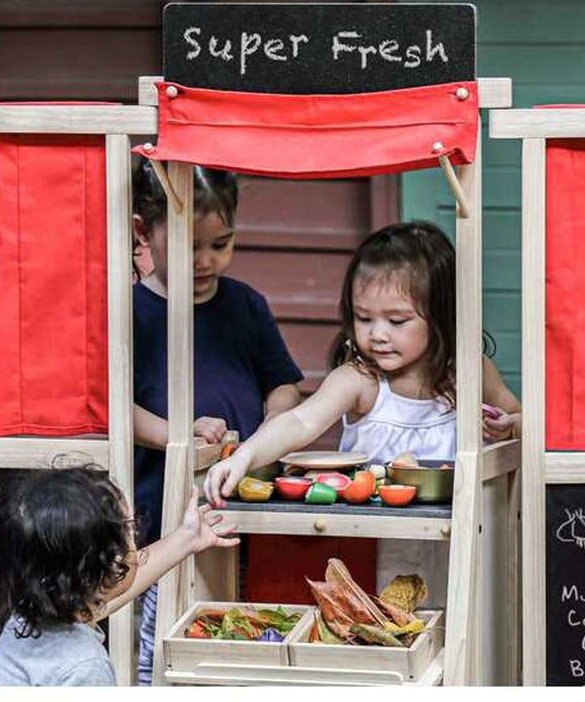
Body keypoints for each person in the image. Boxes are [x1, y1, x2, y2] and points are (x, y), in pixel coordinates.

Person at [204, 221, 521, 603]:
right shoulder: (360, 380)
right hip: (369, 560)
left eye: (397, 320)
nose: (377, 334)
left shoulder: (469, 372)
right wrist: (246, 456)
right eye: (364, 318)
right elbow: (301, 420)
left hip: (460, 556)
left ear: (441, 315)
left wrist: (509, 426)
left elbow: (520, 419)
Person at [130, 158, 303, 684]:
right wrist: (177, 435)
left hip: (241, 505)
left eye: (220, 244)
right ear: (144, 231)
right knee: (162, 642)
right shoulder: (128, 310)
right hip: (159, 513)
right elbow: (114, 408)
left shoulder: (246, 306)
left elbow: (283, 383)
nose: (206, 260)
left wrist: (271, 427)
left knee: (238, 624)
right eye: (188, 245)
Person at [0, 465, 238, 686]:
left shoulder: (30, 616)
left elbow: (106, 596)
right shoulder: (85, 667)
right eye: (129, 532)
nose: (134, 540)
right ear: (109, 570)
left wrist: (187, 537)